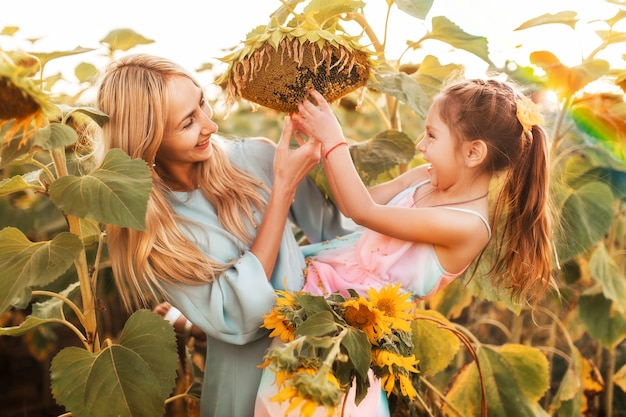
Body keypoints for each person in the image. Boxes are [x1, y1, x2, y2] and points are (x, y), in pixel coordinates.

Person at [255, 79, 554, 416]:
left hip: (355, 334)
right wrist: (323, 145)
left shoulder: (468, 226)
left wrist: (335, 138)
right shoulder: (423, 177)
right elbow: (351, 205)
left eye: (432, 135)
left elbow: (363, 211)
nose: (420, 144)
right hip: (319, 296)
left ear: (473, 153)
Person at [96, 53, 354, 417]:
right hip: (244, 391)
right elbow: (238, 317)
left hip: (327, 366)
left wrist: (421, 183)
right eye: (188, 122)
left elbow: (341, 230)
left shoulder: (258, 157)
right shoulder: (153, 230)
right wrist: (281, 192)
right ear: (147, 142)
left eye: (202, 104)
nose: (210, 126)